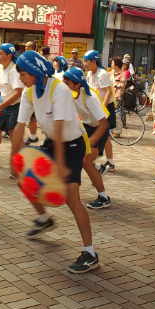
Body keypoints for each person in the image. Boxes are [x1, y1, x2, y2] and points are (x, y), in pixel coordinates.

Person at [11, 50, 99, 273]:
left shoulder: (59, 89)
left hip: (71, 146)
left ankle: (90, 252)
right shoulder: (29, 93)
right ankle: (44, 218)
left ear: (35, 71)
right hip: (52, 142)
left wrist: (59, 164)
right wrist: (14, 158)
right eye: (19, 73)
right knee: (25, 179)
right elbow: (20, 126)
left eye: (23, 73)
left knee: (72, 198)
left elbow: (59, 127)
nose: (21, 77)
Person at [63, 67, 111, 209]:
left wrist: (90, 142)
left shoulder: (90, 97)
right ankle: (96, 168)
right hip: (87, 127)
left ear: (77, 84)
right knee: (78, 158)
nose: (64, 84)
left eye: (67, 82)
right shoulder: (71, 94)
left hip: (100, 128)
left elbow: (104, 124)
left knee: (86, 161)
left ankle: (104, 197)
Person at [83, 50, 116, 175]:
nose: (84, 63)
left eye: (86, 61)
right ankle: (109, 162)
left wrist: (102, 108)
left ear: (93, 61)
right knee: (105, 136)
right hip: (96, 108)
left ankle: (105, 162)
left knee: (103, 136)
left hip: (105, 108)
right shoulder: (90, 74)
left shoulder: (102, 74)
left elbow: (108, 92)